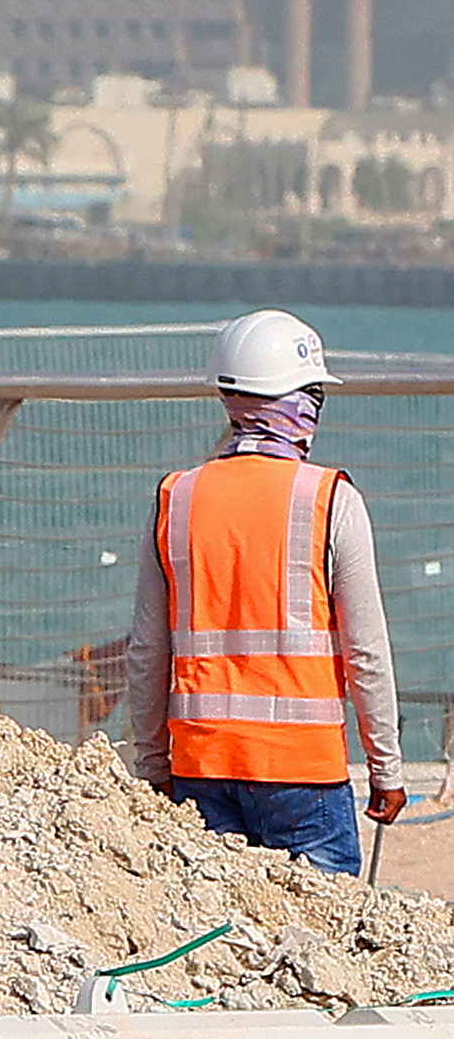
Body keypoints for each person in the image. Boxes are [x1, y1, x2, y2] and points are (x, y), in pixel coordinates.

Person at [117, 307, 405, 878]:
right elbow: (366, 652)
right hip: (305, 772)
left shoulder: (176, 499)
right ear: (301, 400)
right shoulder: (329, 500)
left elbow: (147, 652)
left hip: (202, 762)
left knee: (218, 943)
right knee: (319, 943)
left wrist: (151, 764)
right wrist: (386, 768)